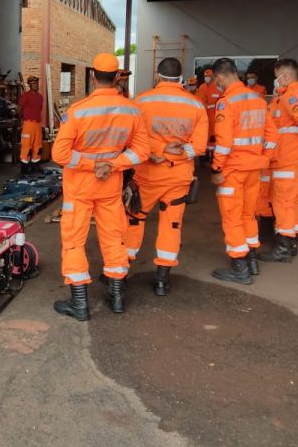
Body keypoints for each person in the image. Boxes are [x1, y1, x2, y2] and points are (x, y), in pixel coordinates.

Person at [51, 53, 151, 320]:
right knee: (114, 238)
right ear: (118, 77)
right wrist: (113, 164)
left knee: (73, 240)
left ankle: (80, 305)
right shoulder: (132, 110)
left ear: (93, 76)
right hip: (110, 187)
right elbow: (142, 151)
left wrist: (89, 163)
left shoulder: (78, 110)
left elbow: (60, 154)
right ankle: (117, 298)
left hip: (80, 188)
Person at [123, 58, 208, 296]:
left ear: (157, 74)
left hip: (146, 177)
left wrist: (158, 152)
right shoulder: (197, 105)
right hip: (179, 178)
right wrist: (176, 154)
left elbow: (132, 139)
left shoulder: (141, 101)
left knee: (133, 220)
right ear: (181, 77)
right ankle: (162, 281)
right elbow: (199, 146)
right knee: (172, 225)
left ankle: (120, 273)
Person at [208, 58, 278, 284]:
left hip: (233, 171)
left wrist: (217, 167)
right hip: (254, 169)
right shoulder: (257, 99)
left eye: (216, 80)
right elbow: (272, 136)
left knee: (232, 218)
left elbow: (224, 142)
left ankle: (240, 268)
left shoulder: (226, 102)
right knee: (249, 215)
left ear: (220, 77)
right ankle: (251, 260)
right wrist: (264, 159)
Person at [260, 59, 298, 262]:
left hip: (287, 158)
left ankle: (283, 247)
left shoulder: (290, 96)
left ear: (285, 76)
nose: (276, 81)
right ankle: (291, 242)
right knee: (295, 201)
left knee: (283, 202)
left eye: (277, 77)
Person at [18, 76, 44, 176]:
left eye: (36, 83)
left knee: (37, 146)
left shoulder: (40, 97)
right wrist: (22, 120)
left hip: (37, 124)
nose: (35, 85)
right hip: (28, 124)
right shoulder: (25, 96)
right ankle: (24, 169)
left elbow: (39, 110)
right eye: (33, 84)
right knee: (26, 146)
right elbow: (19, 109)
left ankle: (35, 166)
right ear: (29, 85)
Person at [198, 68, 221, 159]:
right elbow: (199, 100)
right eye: (205, 76)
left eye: (208, 76)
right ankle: (203, 156)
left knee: (213, 137)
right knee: (203, 136)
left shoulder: (218, 88)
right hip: (203, 116)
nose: (206, 78)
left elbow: (221, 102)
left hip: (214, 118)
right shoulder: (202, 87)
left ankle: (213, 157)